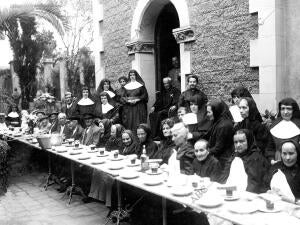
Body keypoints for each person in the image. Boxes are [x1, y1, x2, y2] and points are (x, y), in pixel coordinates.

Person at [235, 97, 275, 163]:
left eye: (244, 108)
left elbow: (266, 146)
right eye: (240, 108)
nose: (241, 111)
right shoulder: (241, 124)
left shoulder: (259, 127)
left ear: (251, 108)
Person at [230, 129, 269, 193]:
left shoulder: (255, 159)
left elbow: (254, 184)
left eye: (241, 141)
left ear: (249, 141)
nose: (238, 145)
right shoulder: (237, 155)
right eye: (236, 142)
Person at [205, 99, 234, 182]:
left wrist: (205, 152)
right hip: (219, 159)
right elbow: (207, 135)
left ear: (216, 111)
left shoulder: (223, 126)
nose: (207, 115)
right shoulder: (218, 121)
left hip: (223, 161)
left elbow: (218, 148)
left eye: (209, 112)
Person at [270, 98, 300, 162]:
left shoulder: (299, 125)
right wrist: (271, 159)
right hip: (277, 161)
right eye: (283, 109)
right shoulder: (273, 125)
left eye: (289, 109)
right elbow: (269, 147)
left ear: (294, 110)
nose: (285, 112)